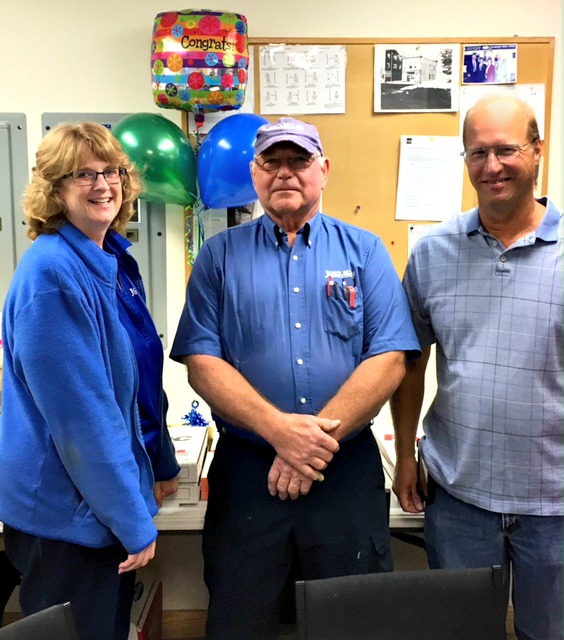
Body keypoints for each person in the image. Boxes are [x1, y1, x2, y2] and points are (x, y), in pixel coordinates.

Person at [170, 116, 420, 639]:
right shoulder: (218, 256)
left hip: (343, 471)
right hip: (247, 473)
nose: (285, 172)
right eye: (271, 162)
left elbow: (391, 357)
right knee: (240, 617)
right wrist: (281, 432)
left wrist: (311, 442)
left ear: (323, 170)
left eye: (299, 160)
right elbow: (201, 362)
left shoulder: (366, 251)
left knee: (353, 620)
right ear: (255, 174)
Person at [391, 96, 563, 640]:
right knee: (459, 632)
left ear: (537, 151)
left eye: (507, 149)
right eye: (478, 153)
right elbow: (409, 365)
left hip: (555, 504)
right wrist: (403, 457)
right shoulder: (432, 252)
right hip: (460, 495)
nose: (493, 166)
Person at [0, 122, 178, 640]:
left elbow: (142, 376)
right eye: (84, 174)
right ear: (54, 189)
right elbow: (84, 419)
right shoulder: (52, 275)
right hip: (66, 516)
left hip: (97, 502)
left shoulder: (111, 259)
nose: (104, 184)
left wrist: (158, 466)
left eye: (113, 171)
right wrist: (132, 519)